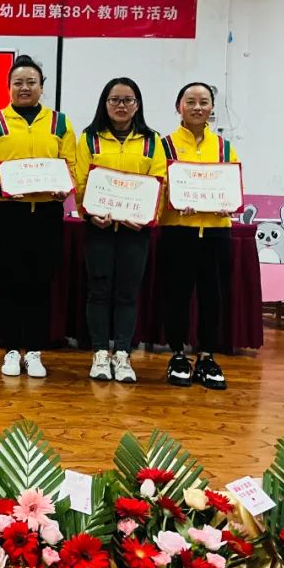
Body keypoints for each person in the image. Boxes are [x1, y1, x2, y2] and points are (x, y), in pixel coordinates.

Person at [0, 55, 75, 379]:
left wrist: (66, 187)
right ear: (8, 87)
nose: (24, 87)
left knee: (40, 282)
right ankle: (10, 349)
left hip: (47, 213)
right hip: (10, 212)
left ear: (41, 87)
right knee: (9, 281)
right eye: (18, 82)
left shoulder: (59, 123)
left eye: (31, 82)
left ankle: (34, 351)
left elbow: (72, 164)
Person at [74, 77, 166, 384]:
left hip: (135, 230)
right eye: (115, 100)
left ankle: (123, 354)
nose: (121, 105)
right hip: (99, 228)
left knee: (127, 292)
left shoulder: (152, 140)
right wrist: (90, 214)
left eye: (128, 100)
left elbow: (160, 183)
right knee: (99, 291)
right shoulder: (90, 138)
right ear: (105, 103)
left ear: (137, 105)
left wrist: (147, 217)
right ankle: (101, 352)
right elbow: (81, 182)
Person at [158, 82, 238, 390]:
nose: (197, 107)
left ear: (212, 108)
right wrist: (174, 200)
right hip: (178, 230)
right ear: (178, 106)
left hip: (217, 232)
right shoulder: (164, 145)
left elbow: (233, 186)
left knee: (212, 296)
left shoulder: (224, 147)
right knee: (176, 294)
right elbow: (157, 187)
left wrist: (228, 203)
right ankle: (177, 354)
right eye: (190, 101)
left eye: (204, 102)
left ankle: (207, 356)